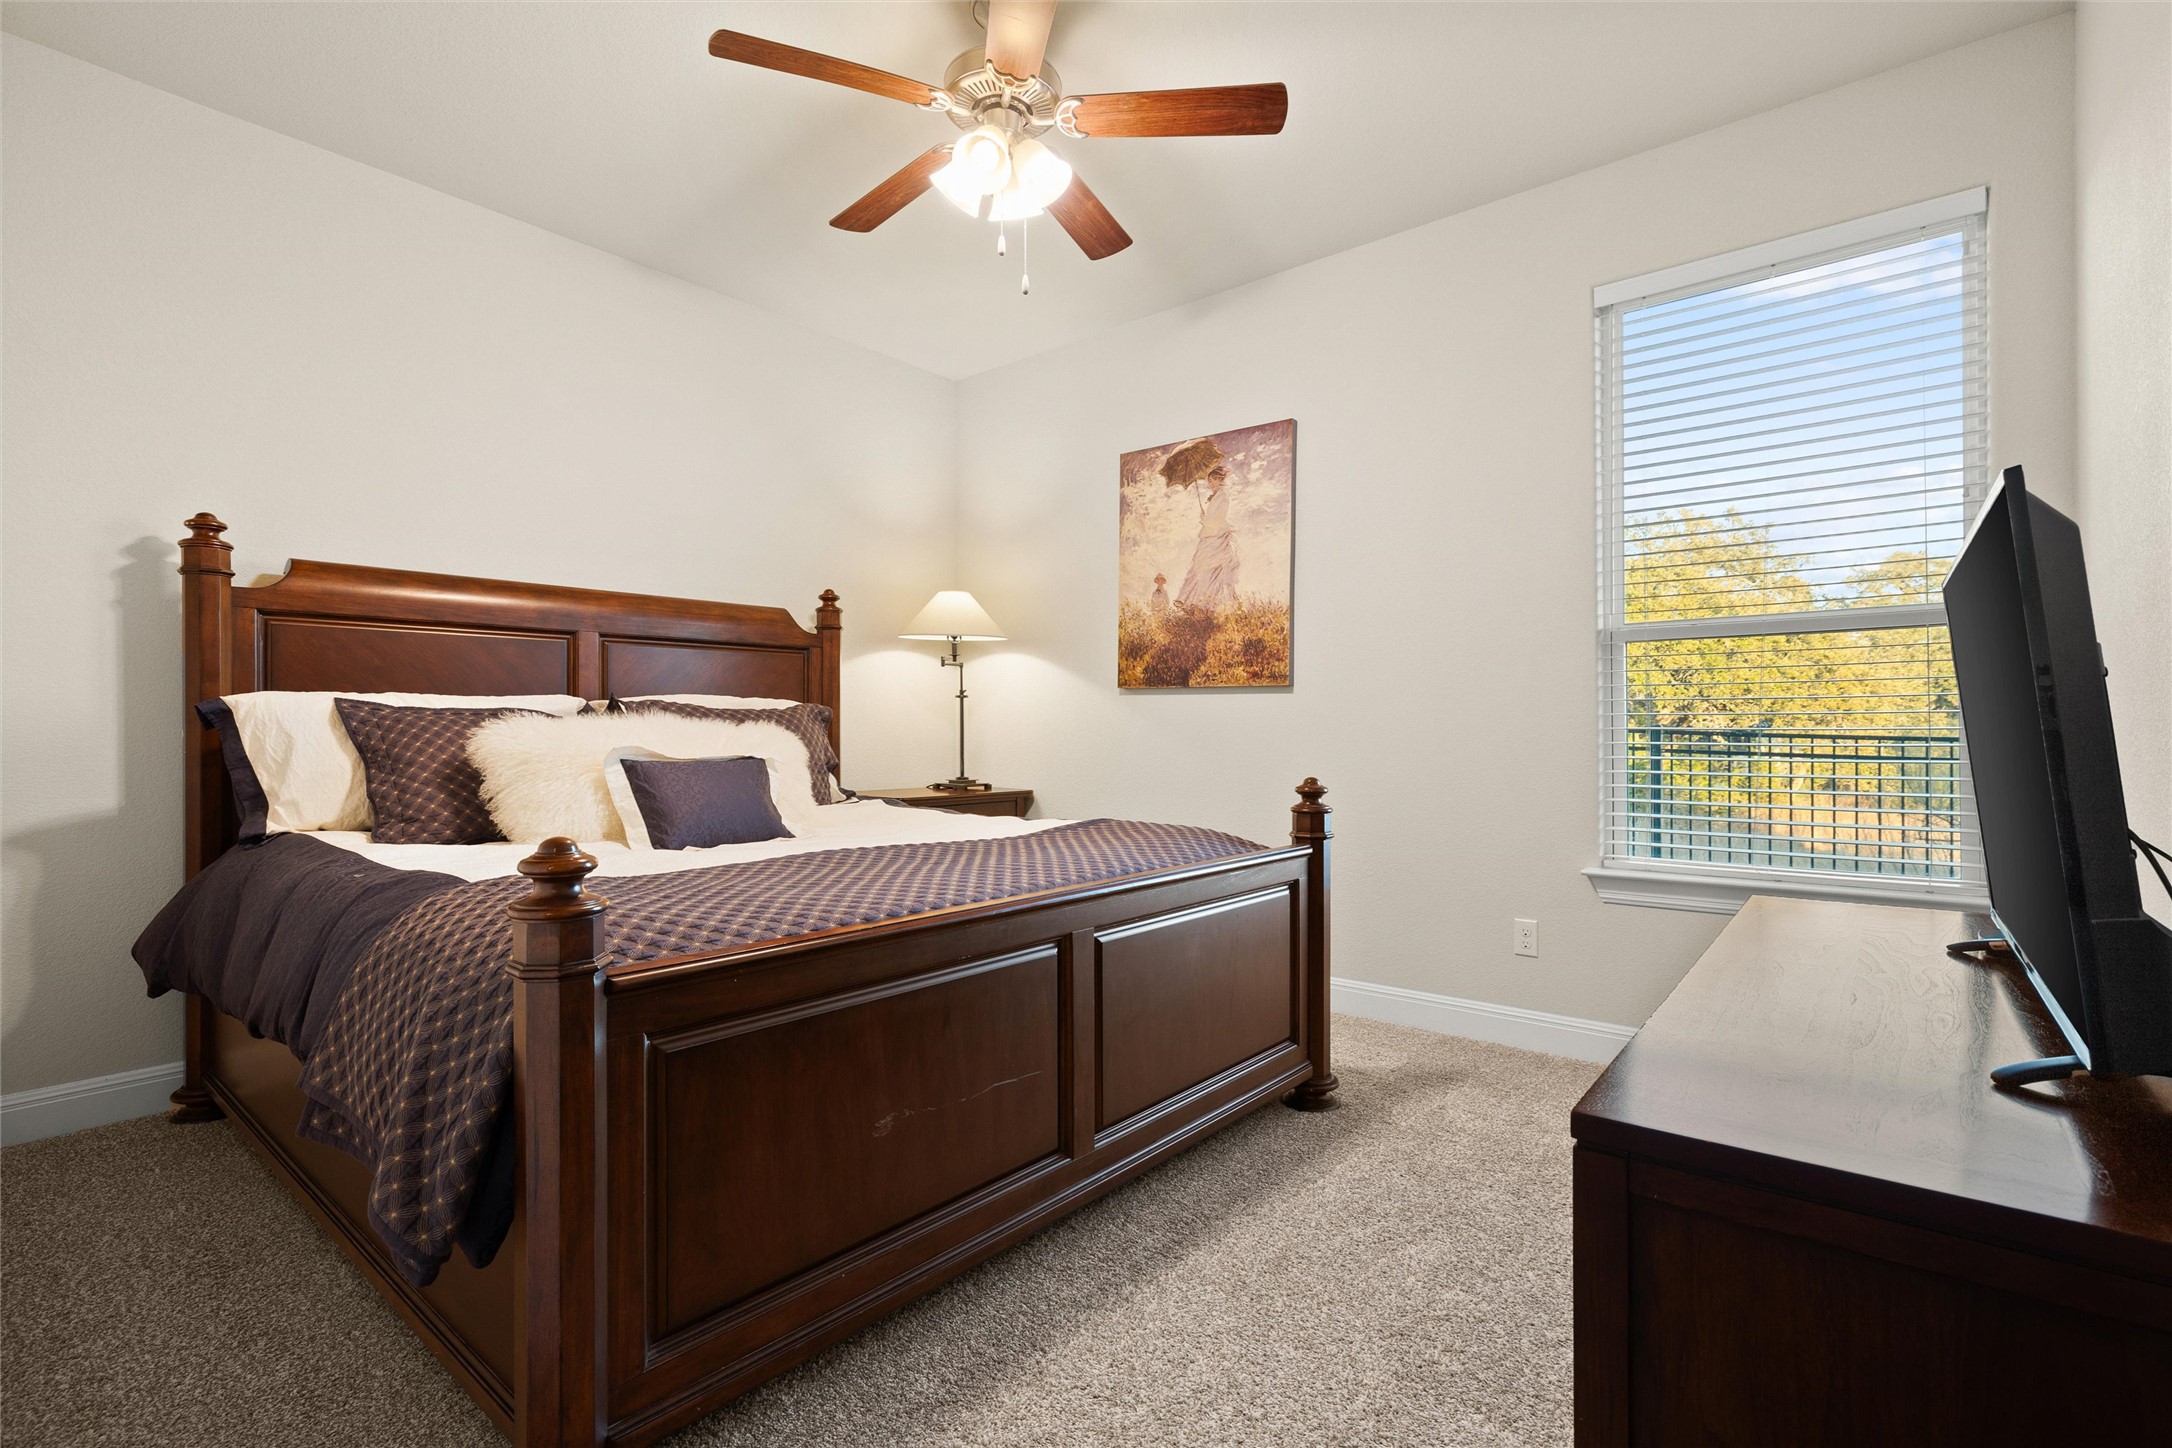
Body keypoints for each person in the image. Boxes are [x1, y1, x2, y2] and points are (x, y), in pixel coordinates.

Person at [1159, 439, 1239, 614]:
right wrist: (1205, 518)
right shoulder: (1216, 496)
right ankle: (1190, 600)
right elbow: (1212, 517)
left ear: (1219, 479)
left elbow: (1217, 519)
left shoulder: (1222, 496)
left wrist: (1204, 519)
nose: (1209, 483)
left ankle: (1203, 604)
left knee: (1210, 571)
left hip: (1216, 536)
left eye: (1212, 480)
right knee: (1199, 568)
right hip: (1209, 535)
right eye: (1209, 481)